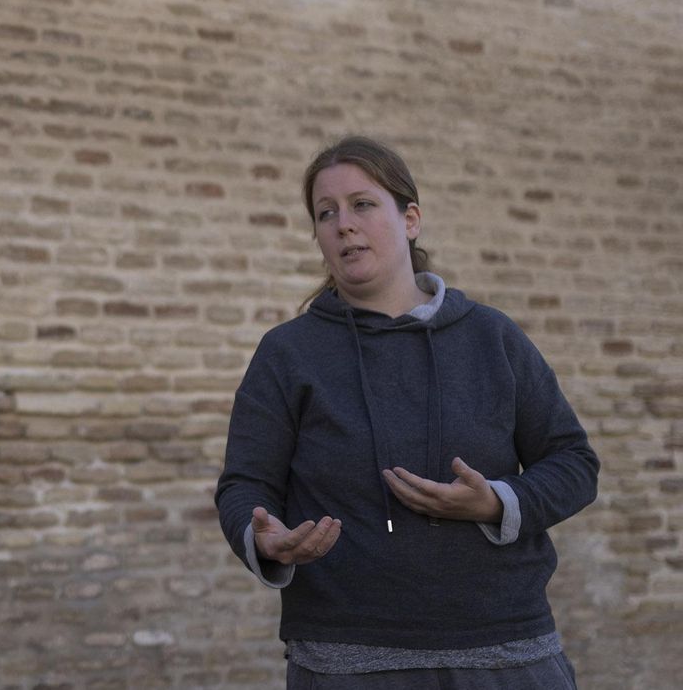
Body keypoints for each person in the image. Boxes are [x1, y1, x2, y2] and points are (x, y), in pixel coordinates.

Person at [215, 135, 598, 689]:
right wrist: (264, 539)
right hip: (348, 662)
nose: (343, 224)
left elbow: (574, 463)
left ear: (410, 218)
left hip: (509, 655)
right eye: (326, 214)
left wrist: (496, 501)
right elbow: (244, 485)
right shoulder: (288, 354)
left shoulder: (493, 338)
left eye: (362, 204)